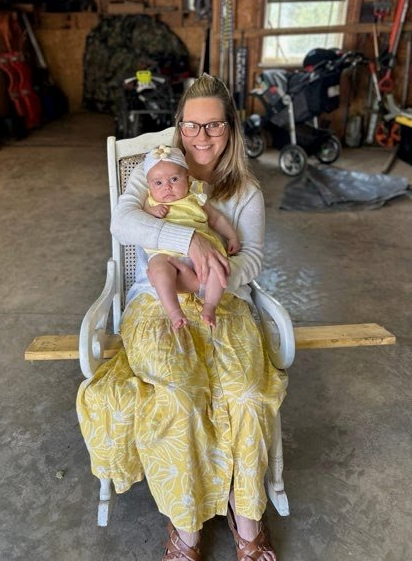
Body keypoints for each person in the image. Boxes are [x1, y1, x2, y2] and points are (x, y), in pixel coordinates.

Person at [77, 73, 287, 561]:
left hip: (221, 300)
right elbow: (123, 222)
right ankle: (186, 521)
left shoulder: (244, 190)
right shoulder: (155, 167)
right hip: (158, 298)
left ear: (230, 128)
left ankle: (246, 511)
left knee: (247, 393)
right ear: (179, 125)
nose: (201, 137)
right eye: (191, 125)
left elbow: (252, 258)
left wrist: (207, 279)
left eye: (213, 125)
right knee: (178, 392)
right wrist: (187, 241)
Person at [142, 144, 241, 329]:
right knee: (159, 269)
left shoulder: (196, 197)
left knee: (218, 268)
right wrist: (152, 211)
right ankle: (174, 312)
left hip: (203, 252)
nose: (167, 187)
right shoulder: (151, 201)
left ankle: (210, 306)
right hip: (166, 253)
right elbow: (141, 220)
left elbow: (216, 218)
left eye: (174, 179)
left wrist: (232, 236)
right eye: (158, 183)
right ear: (149, 186)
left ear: (187, 179)